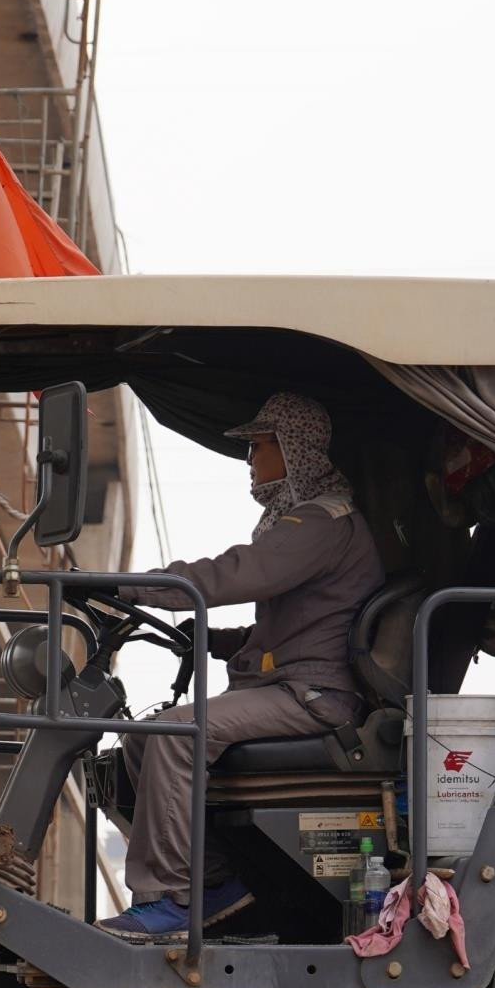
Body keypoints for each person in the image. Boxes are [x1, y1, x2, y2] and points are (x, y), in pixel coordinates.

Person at [114, 390, 388, 939]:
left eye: (259, 444)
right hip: (290, 682)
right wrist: (216, 639)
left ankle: (172, 897)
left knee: (177, 734)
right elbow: (298, 624)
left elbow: (243, 573)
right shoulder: (303, 520)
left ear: (296, 449)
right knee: (138, 739)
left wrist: (137, 584)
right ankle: (214, 879)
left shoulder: (322, 522)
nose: (249, 459)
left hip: (313, 694)